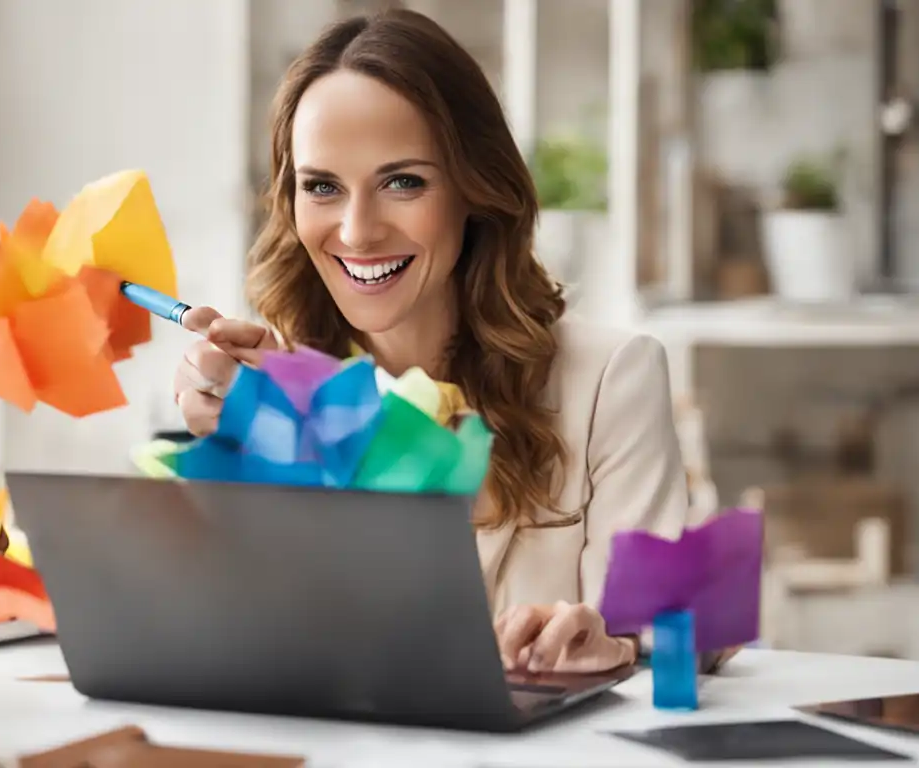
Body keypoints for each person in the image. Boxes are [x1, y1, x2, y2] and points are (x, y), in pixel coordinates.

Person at [173, 9, 700, 675]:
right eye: (323, 187)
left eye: (403, 182)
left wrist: (616, 646)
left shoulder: (610, 378)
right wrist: (237, 449)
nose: (358, 232)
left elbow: (672, 637)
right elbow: (247, 647)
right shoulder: (277, 390)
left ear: (473, 190)